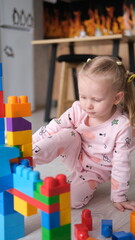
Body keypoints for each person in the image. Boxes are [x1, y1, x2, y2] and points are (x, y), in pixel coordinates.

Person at [32, 56, 135, 212]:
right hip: (75, 153)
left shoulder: (122, 126)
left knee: (70, 201)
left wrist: (118, 196)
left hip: (94, 171)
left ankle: (78, 184)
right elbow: (54, 126)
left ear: (117, 98)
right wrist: (29, 143)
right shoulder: (78, 108)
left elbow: (121, 164)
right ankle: (28, 155)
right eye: (83, 96)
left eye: (96, 99)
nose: (88, 104)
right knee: (67, 133)